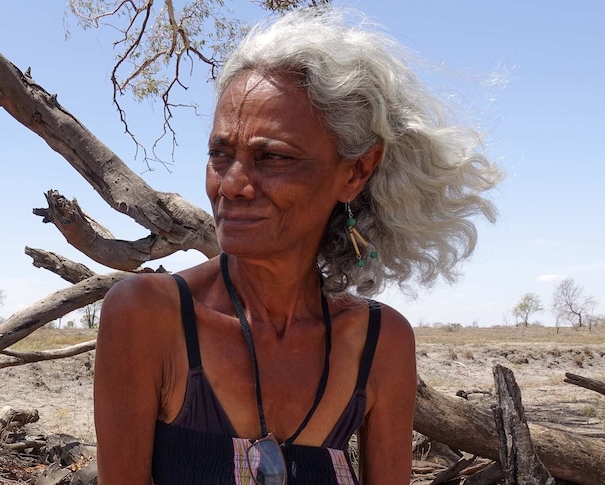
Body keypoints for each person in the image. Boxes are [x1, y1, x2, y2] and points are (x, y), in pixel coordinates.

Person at [94, 7, 501, 485]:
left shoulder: (378, 342)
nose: (233, 185)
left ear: (355, 171)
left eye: (272, 157)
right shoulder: (148, 318)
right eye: (220, 154)